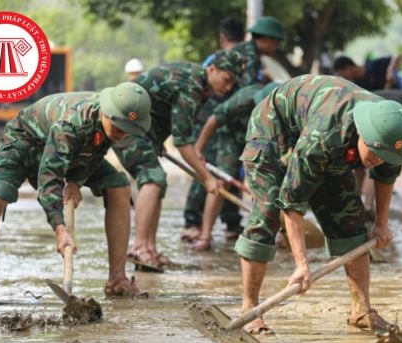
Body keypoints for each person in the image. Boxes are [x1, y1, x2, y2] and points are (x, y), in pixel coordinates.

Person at [234, 75, 402, 334]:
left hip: (329, 138)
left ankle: (361, 310)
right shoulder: (325, 136)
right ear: (362, 133)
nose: (377, 160)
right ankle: (249, 310)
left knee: (349, 220)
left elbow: (386, 177)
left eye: (384, 156)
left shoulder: (391, 136)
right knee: (268, 213)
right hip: (273, 129)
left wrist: (381, 224)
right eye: (373, 153)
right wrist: (302, 264)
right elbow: (292, 201)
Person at [0, 82, 151, 299]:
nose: (121, 134)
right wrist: (60, 230)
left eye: (127, 131)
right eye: (117, 128)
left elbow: (95, 152)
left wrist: (76, 182)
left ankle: (117, 279)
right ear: (106, 112)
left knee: (119, 186)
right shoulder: (72, 123)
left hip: (69, 151)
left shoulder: (114, 124)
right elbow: (49, 177)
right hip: (26, 141)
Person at [113, 50, 244, 269]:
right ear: (212, 69)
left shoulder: (201, 88)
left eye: (232, 83)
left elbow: (175, 125)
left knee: (158, 181)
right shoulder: (191, 84)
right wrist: (207, 178)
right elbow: (183, 143)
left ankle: (150, 251)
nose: (228, 87)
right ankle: (139, 247)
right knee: (153, 178)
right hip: (124, 126)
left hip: (144, 132)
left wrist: (193, 154)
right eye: (226, 80)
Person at [191, 82, 279, 251]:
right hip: (231, 136)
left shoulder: (285, 109)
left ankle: (276, 233)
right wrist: (198, 149)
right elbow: (213, 120)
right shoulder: (244, 99)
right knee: (222, 180)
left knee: (269, 181)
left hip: (260, 139)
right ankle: (205, 235)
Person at [181, 17, 246, 243]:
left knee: (221, 174)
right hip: (211, 123)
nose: (227, 85)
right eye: (226, 80)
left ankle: (220, 224)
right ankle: (197, 225)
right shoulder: (210, 68)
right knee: (207, 172)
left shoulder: (242, 64)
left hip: (227, 128)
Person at [233, 16, 285, 85]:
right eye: (276, 42)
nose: (277, 46)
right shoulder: (249, 55)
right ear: (263, 39)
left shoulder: (252, 52)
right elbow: (248, 87)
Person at [333, 55, 402, 92]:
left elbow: (397, 56)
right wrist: (388, 85)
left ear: (348, 68)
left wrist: (390, 71)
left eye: (342, 74)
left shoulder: (373, 66)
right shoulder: (358, 86)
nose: (344, 77)